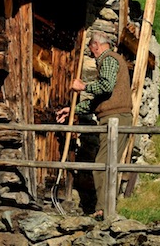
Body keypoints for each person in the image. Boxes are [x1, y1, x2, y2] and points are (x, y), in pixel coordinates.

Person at [56, 31, 132, 219]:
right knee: (108, 163)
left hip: (116, 118)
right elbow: (98, 100)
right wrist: (72, 110)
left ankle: (103, 209)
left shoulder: (108, 59)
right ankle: (106, 208)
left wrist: (83, 87)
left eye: (90, 48)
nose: (91, 53)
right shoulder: (111, 60)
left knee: (101, 164)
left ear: (97, 45)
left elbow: (105, 86)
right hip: (115, 117)